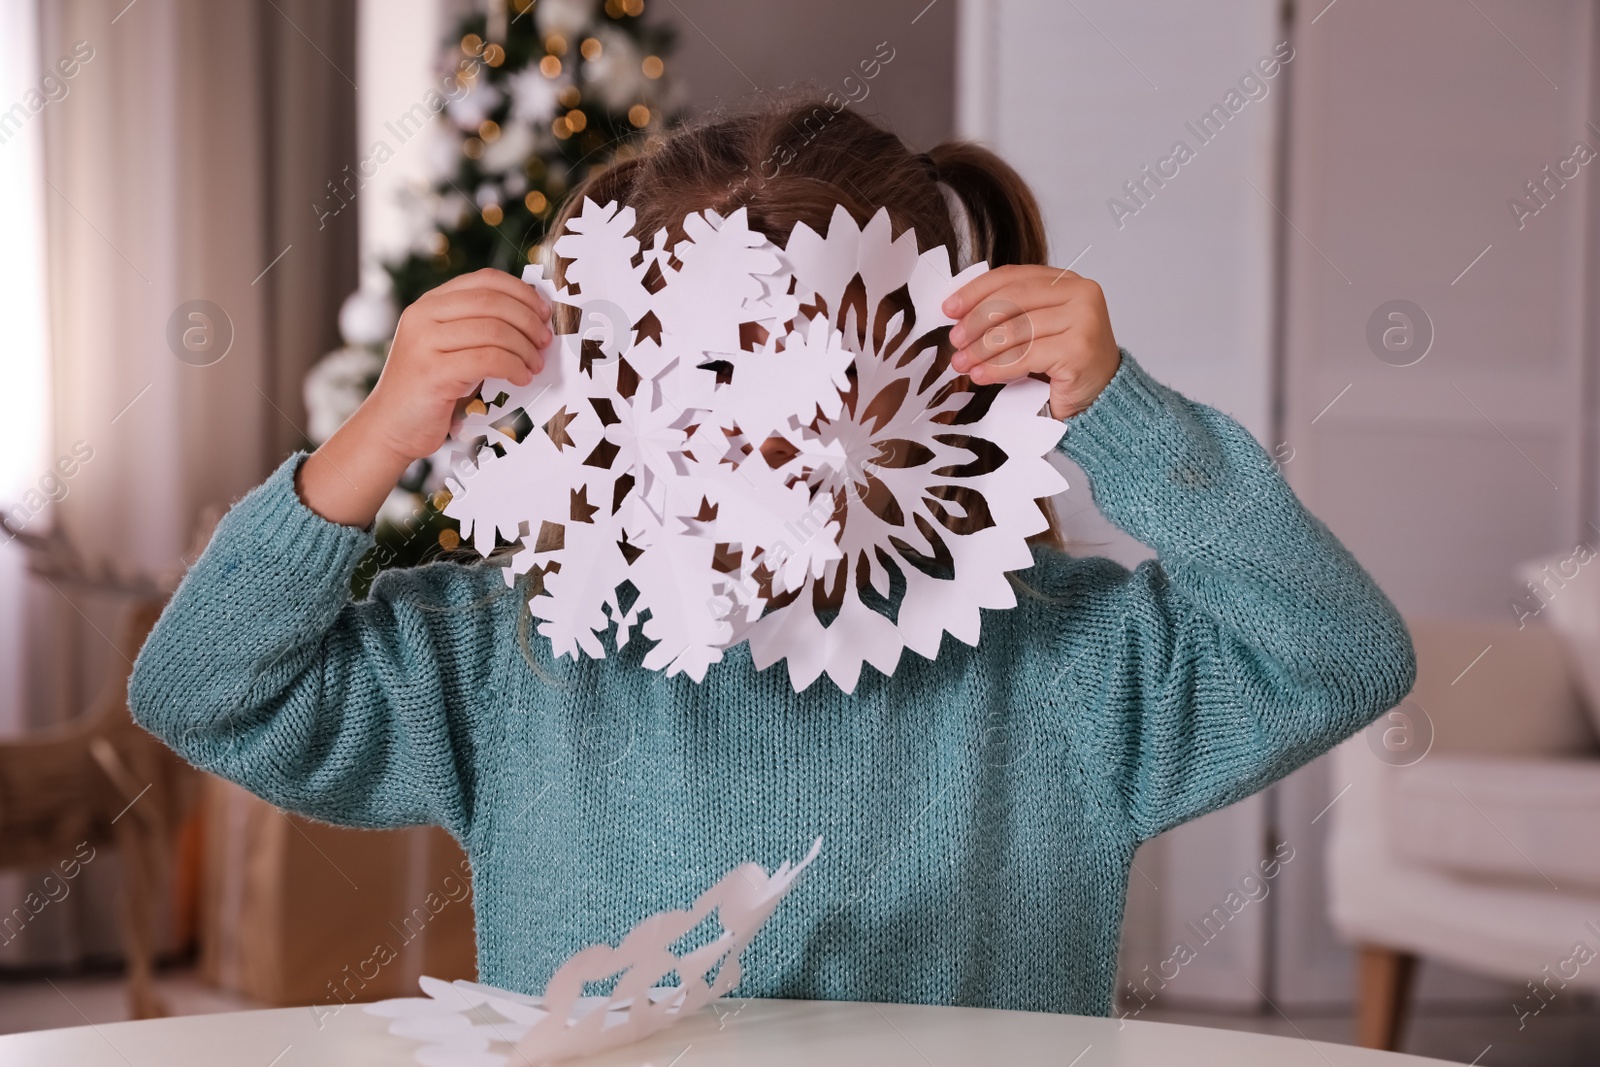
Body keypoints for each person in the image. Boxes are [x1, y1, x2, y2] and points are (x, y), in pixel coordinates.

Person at [129, 96, 1416, 1017]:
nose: (745, 465)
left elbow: (1340, 651)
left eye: (798, 405)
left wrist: (1118, 409)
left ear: (919, 379)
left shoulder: (1071, 664)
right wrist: (367, 444)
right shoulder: (510, 651)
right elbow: (198, 687)